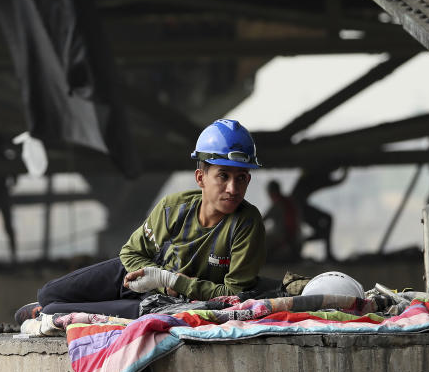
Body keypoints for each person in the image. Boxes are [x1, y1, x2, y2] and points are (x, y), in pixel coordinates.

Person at [27, 119, 266, 320]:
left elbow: (234, 295)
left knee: (54, 309)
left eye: (241, 178)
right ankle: (42, 309)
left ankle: (39, 314)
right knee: (47, 294)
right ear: (200, 177)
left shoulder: (246, 224)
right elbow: (131, 253)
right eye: (223, 176)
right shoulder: (173, 209)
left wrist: (170, 282)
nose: (233, 188)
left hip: (163, 301)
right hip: (137, 276)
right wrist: (156, 277)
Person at [291, 165, 347, 261]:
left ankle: (301, 242)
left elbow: (338, 180)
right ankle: (327, 253)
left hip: (298, 208)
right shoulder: (315, 176)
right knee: (327, 222)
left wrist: (345, 170)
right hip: (299, 208)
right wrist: (345, 170)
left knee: (323, 229)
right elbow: (338, 180)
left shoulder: (317, 176)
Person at [264, 180, 301, 261]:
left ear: (272, 192)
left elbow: (262, 220)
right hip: (296, 241)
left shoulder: (278, 204)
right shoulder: (290, 202)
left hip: (285, 241)